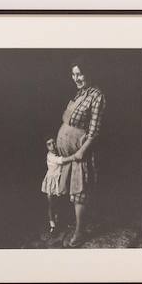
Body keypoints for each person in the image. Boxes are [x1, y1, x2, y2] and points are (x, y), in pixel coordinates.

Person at [47, 59, 105, 247]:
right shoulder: (81, 93)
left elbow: (94, 130)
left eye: (80, 73)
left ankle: (79, 233)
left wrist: (82, 150)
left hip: (79, 153)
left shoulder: (97, 96)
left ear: (89, 72)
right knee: (65, 189)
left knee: (79, 193)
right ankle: (67, 224)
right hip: (66, 154)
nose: (77, 78)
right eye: (74, 74)